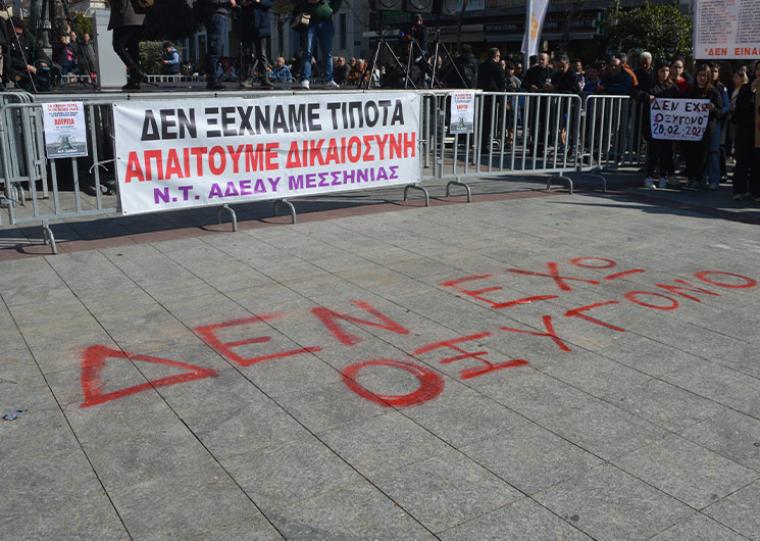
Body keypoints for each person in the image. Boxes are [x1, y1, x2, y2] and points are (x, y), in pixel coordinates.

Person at [638, 59, 679, 189]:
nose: (665, 73)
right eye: (662, 71)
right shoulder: (650, 85)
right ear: (657, 72)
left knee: (666, 152)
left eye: (667, 70)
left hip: (667, 126)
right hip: (653, 125)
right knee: (653, 151)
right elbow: (636, 92)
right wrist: (647, 97)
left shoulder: (672, 87)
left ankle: (663, 176)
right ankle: (649, 177)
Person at [682, 64, 723, 190]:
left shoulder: (713, 92)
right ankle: (690, 178)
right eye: (700, 75)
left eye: (705, 75)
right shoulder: (690, 90)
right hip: (689, 129)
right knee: (689, 153)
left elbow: (720, 112)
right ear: (696, 76)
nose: (702, 78)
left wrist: (713, 109)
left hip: (706, 130)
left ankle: (698, 179)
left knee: (702, 155)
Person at [731, 61, 760, 200]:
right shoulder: (745, 88)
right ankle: (739, 190)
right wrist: (752, 91)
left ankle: (756, 191)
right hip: (745, 130)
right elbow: (740, 110)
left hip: (758, 133)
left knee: (757, 162)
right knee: (742, 161)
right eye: (758, 69)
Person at [297, 0, 341, 89]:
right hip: (309, 19)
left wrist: (332, 9)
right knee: (308, 51)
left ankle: (329, 79)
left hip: (326, 20)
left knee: (327, 52)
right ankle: (305, 79)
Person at [197, 0, 235, 90]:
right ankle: (212, 79)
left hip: (218, 15)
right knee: (215, 48)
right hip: (216, 15)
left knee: (217, 48)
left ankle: (213, 78)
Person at [109, 0, 147, 90]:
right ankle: (135, 81)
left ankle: (136, 72)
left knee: (118, 45)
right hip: (139, 16)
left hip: (125, 15)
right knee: (133, 47)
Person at [705, 62, 730, 189]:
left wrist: (717, 111)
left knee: (714, 152)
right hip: (702, 124)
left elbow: (726, 106)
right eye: (711, 71)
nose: (713, 74)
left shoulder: (721, 88)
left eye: (715, 71)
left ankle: (714, 180)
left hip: (716, 123)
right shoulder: (704, 85)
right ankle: (702, 178)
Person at [477, 48, 506, 150]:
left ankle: (480, 143)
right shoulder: (497, 66)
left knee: (482, 120)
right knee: (489, 121)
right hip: (493, 96)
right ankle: (484, 144)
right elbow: (502, 81)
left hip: (482, 95)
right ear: (496, 56)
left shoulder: (482, 65)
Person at [239, 0, 272, 89]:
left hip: (261, 25)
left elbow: (270, 3)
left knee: (262, 54)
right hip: (247, 25)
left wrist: (259, 1)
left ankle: (264, 78)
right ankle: (249, 78)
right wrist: (243, 3)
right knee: (248, 53)